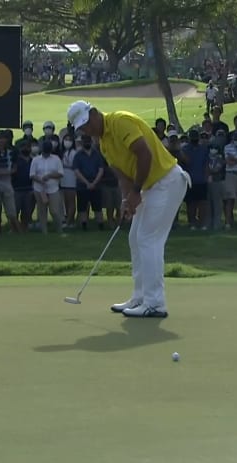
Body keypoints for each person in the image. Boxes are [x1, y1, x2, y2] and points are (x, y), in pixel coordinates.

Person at [68, 100, 190, 318]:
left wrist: (136, 192)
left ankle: (155, 303)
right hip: (149, 186)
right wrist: (127, 199)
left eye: (87, 123)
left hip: (166, 181)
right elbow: (122, 175)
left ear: (95, 113)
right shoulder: (103, 143)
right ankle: (140, 296)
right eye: (82, 128)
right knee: (135, 238)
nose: (87, 130)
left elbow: (145, 155)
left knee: (148, 239)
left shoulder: (120, 121)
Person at [29, 140, 64, 234]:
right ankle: (44, 231)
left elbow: (60, 173)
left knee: (55, 211)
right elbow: (32, 175)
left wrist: (50, 176)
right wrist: (40, 180)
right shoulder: (35, 160)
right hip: (39, 189)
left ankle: (59, 228)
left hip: (53, 189)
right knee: (42, 210)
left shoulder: (56, 159)